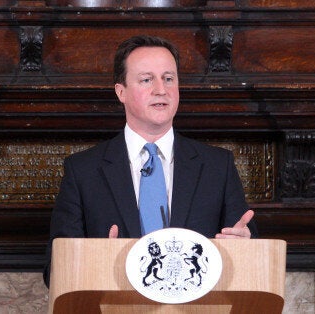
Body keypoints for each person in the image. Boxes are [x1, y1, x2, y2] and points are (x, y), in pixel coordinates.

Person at [43, 35, 257, 287]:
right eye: (147, 80)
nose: (161, 89)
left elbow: (248, 257)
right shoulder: (82, 170)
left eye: (168, 79)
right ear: (120, 92)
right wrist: (98, 261)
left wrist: (245, 248)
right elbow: (54, 272)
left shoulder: (217, 166)